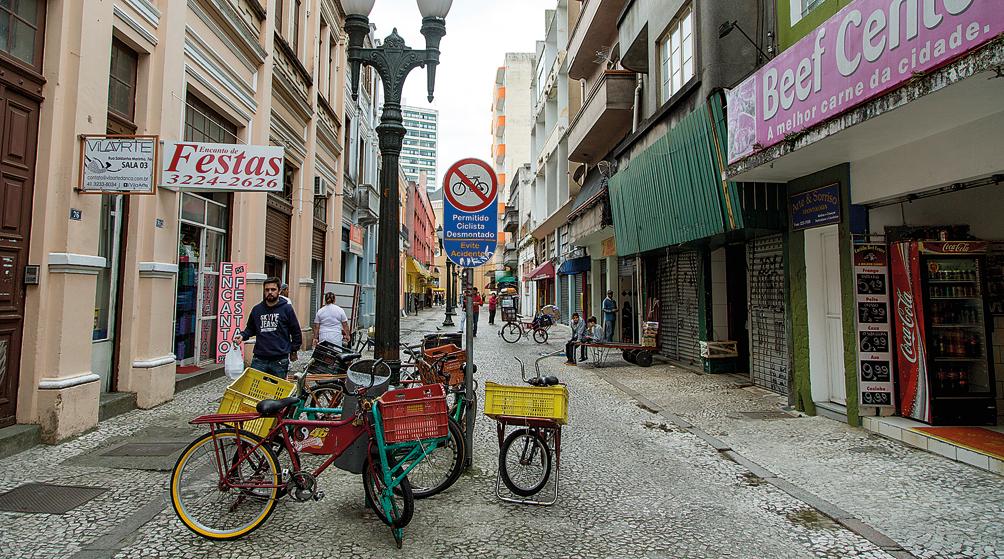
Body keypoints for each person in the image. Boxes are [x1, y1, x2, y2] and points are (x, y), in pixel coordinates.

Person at [235, 277, 302, 378]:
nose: (270, 292)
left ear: (279, 291)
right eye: (267, 290)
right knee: (255, 389)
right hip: (259, 358)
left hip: (279, 359)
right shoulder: (257, 310)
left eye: (273, 289)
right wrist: (242, 336)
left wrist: (294, 350)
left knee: (279, 391)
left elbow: (296, 331)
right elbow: (250, 329)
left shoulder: (286, 309)